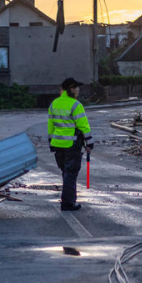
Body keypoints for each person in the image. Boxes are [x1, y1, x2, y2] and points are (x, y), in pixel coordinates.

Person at [48, 77, 94, 211]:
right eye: (77, 88)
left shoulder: (54, 104)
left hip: (58, 144)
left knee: (65, 172)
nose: (78, 90)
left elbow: (50, 125)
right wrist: (89, 143)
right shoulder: (75, 105)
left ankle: (69, 200)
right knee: (71, 173)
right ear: (71, 89)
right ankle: (68, 203)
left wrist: (51, 143)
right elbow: (83, 126)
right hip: (72, 145)